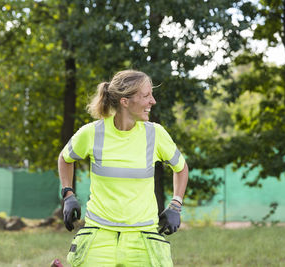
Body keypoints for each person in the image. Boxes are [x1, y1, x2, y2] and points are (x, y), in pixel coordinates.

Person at [58, 70, 189, 267]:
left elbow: (181, 168)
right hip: (98, 236)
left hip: (143, 238)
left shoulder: (156, 134)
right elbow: (65, 158)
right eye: (146, 96)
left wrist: (176, 205)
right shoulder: (92, 133)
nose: (152, 101)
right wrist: (68, 194)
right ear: (125, 101)